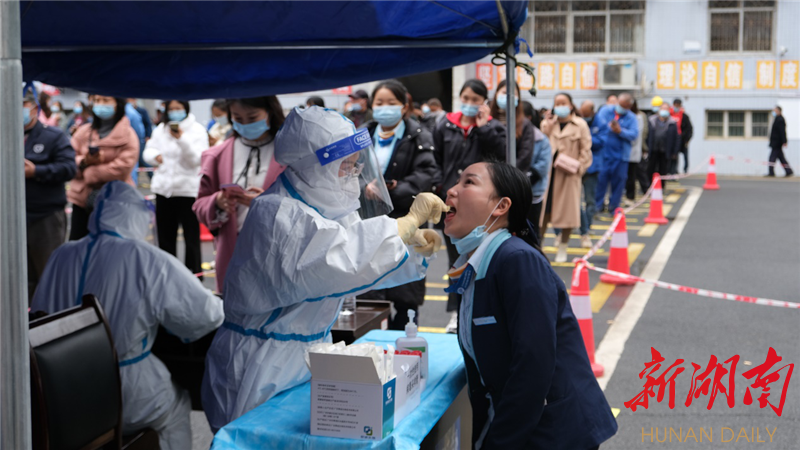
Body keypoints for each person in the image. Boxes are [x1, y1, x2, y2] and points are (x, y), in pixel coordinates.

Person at [201, 106, 445, 431]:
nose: (355, 171)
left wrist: (410, 245)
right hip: (261, 364)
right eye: (345, 164)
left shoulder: (324, 205)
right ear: (314, 165)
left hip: (301, 355)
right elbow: (338, 262)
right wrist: (404, 225)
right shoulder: (276, 213)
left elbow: (356, 268)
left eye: (356, 161)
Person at [31, 181, 224, 450]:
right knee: (176, 406)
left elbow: (39, 316)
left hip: (58, 391)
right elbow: (204, 316)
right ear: (136, 216)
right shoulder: (147, 258)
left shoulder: (62, 254)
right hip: (122, 387)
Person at [442, 161, 617, 449]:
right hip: (517, 425)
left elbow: (533, 366)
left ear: (501, 206)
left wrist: (499, 443)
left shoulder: (516, 260)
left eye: (468, 183)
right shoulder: (475, 265)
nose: (451, 191)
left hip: (553, 433)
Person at [362, 80, 440, 329]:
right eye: (379, 103)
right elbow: (344, 171)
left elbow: (427, 175)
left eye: (391, 103)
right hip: (368, 223)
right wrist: (360, 187)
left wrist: (390, 188)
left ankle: (404, 354)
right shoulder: (361, 134)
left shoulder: (419, 135)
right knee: (368, 295)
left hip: (407, 222)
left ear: (404, 106)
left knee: (405, 298)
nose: (385, 108)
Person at [433, 78, 506, 332]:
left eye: (476, 100)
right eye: (466, 98)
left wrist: (484, 127)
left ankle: (480, 310)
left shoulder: (493, 127)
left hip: (480, 205)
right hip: (451, 203)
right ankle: (456, 311)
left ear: (484, 103)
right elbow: (436, 160)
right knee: (455, 259)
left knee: (481, 257)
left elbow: (501, 157)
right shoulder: (445, 126)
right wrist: (439, 187)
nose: (470, 104)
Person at [193, 96, 286, 293]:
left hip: (278, 255)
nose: (245, 125)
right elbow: (199, 205)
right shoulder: (217, 155)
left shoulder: (289, 152)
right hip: (232, 254)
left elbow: (310, 205)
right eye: (238, 119)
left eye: (252, 118)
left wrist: (268, 204)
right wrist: (217, 202)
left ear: (270, 113)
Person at [143, 100, 209, 275]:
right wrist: (155, 156)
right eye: (171, 109)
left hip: (188, 190)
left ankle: (194, 275)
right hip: (164, 190)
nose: (174, 112)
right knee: (165, 237)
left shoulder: (197, 130)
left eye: (178, 108)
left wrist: (182, 139)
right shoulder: (160, 129)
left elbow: (198, 159)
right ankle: (167, 274)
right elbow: (148, 151)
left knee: (191, 238)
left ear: (186, 109)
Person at [23, 90, 77, 301]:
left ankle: (49, 321)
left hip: (45, 217)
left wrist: (36, 171)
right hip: (14, 217)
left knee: (48, 273)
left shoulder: (53, 136)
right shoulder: (6, 134)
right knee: (19, 275)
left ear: (34, 109)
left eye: (23, 105)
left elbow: (68, 168)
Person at [68, 95, 139, 240]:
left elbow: (123, 167)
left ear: (117, 104)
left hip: (115, 201)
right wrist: (84, 161)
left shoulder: (128, 135)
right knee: (78, 247)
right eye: (97, 101)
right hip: (82, 200)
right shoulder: (83, 132)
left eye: (106, 101)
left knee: (112, 250)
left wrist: (91, 172)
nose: (101, 105)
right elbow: (68, 159)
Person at [540, 93, 592, 263]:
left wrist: (578, 169)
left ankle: (563, 246)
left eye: (564, 103)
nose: (560, 106)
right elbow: (541, 144)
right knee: (543, 214)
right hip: (548, 176)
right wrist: (548, 125)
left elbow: (586, 150)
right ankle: (537, 247)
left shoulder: (580, 125)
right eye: (557, 103)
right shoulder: (548, 124)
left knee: (569, 214)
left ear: (570, 105)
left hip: (569, 176)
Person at [594, 93, 638, 214]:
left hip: (620, 157)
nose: (622, 108)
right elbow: (597, 127)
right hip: (604, 155)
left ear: (629, 107)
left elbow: (634, 134)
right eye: (620, 105)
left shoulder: (632, 118)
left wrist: (620, 131)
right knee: (600, 182)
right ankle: (597, 207)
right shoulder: (605, 111)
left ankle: (614, 208)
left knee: (618, 183)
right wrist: (609, 128)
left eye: (625, 106)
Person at [490, 79, 534, 173]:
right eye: (504, 92)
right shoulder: (486, 121)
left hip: (512, 176)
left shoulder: (525, 124)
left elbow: (525, 156)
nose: (508, 97)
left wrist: (509, 175)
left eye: (513, 94)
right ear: (496, 94)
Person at [578, 100, 602, 249]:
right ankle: (583, 227)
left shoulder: (601, 122)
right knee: (574, 201)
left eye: (586, 113)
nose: (584, 116)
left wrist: (586, 137)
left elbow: (602, 141)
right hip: (576, 167)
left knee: (590, 200)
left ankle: (587, 226)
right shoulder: (578, 122)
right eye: (582, 113)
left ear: (592, 111)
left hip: (593, 167)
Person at [647, 104, 680, 187]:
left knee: (663, 169)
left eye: (666, 109)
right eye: (662, 108)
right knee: (650, 168)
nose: (664, 110)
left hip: (665, 150)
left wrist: (674, 152)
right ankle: (648, 186)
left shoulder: (672, 122)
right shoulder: (652, 120)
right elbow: (647, 135)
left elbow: (676, 138)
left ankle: (661, 186)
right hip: (653, 149)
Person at [625, 99, 650, 205]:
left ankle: (645, 191)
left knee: (637, 173)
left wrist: (644, 148)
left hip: (635, 150)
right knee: (629, 175)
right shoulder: (624, 116)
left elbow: (640, 134)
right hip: (625, 151)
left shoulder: (638, 117)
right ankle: (630, 195)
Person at [528, 122, 551, 241]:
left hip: (534, 190)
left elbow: (543, 165)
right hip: (513, 191)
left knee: (532, 228)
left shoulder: (541, 140)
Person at [767, 106, 793, 177]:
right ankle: (789, 171)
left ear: (778, 111)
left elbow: (782, 132)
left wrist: (784, 141)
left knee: (772, 158)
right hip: (775, 142)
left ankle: (771, 172)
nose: (773, 112)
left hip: (777, 143)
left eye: (774, 111)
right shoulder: (777, 119)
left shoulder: (780, 119)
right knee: (781, 158)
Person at [670, 98, 693, 174]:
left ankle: (685, 169)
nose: (677, 107)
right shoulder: (670, 114)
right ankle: (673, 170)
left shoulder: (684, 116)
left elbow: (689, 128)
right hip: (673, 139)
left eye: (678, 105)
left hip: (682, 139)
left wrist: (687, 139)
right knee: (674, 155)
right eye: (675, 105)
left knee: (685, 155)